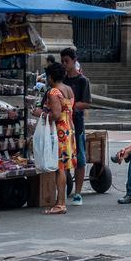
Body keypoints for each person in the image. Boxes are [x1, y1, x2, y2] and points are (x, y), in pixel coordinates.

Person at [38, 62, 75, 215]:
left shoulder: (53, 92)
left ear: (51, 77)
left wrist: (39, 113)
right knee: (64, 168)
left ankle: (60, 204)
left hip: (59, 132)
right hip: (69, 130)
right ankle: (60, 202)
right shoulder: (69, 89)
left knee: (59, 168)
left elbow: (56, 115)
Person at [60, 47, 91, 206]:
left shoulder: (82, 80)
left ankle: (78, 193)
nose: (65, 64)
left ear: (74, 61)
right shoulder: (62, 80)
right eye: (62, 61)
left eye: (67, 61)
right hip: (61, 125)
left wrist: (69, 105)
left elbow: (86, 103)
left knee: (79, 158)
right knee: (63, 158)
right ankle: (63, 190)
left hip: (76, 124)